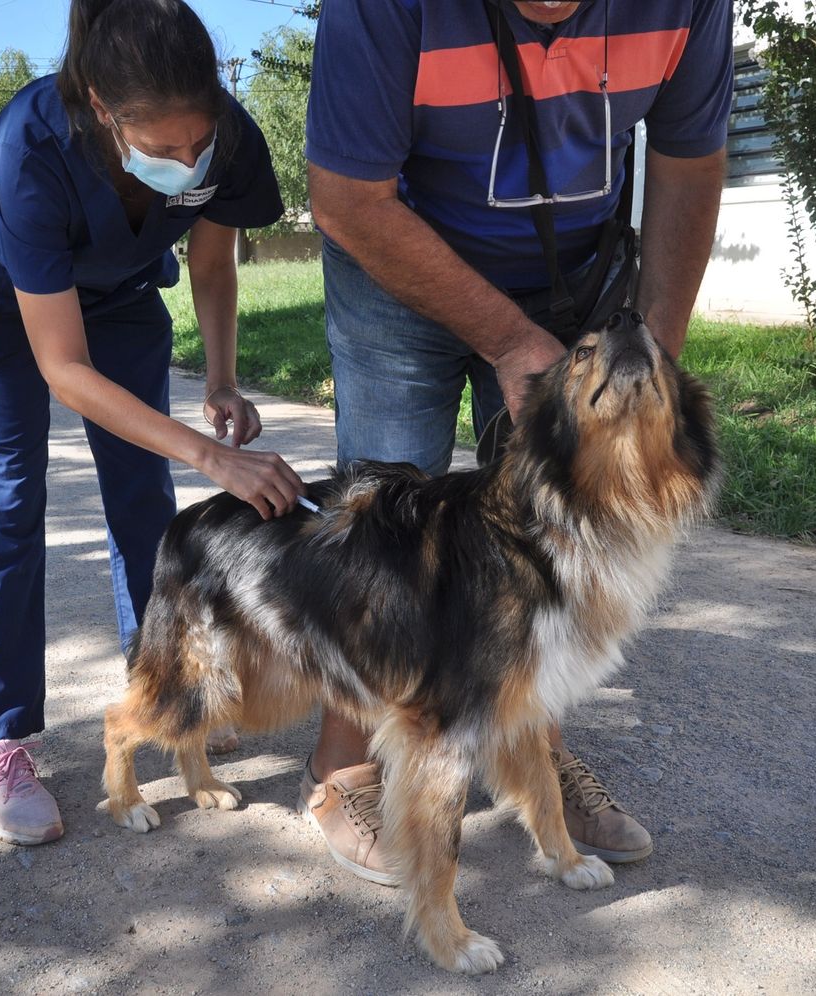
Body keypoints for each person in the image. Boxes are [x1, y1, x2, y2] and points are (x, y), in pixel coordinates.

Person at [302, 0, 733, 883]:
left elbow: (690, 165)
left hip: (566, 270)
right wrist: (504, 340)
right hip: (393, 265)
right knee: (385, 529)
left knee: (544, 547)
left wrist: (646, 365)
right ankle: (343, 764)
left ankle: (530, 758)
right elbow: (346, 198)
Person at [0, 0, 301, 846]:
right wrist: (217, 459)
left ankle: (170, 686)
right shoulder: (34, 150)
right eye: (163, 149)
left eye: (198, 142)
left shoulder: (225, 135)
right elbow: (63, 368)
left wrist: (221, 378)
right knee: (7, 497)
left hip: (123, 291)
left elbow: (210, 261)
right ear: (101, 107)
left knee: (144, 492)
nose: (188, 159)